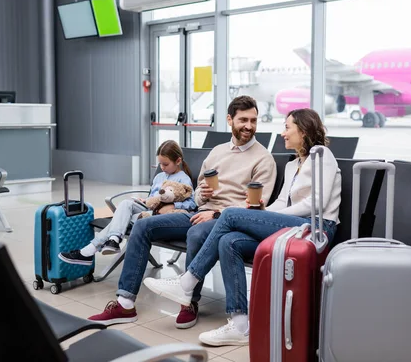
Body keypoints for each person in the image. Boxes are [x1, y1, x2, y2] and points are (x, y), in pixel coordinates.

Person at [143, 108, 342, 347]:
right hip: (293, 227)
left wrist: (265, 217)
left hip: (317, 229)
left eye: (287, 127)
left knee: (229, 213)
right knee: (229, 242)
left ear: (304, 129)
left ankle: (188, 282)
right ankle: (239, 323)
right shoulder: (292, 165)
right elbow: (281, 202)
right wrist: (261, 214)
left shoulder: (323, 156)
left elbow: (316, 204)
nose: (283, 133)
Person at [86, 95, 277, 326]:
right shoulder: (217, 152)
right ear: (230, 120)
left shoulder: (263, 159)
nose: (249, 126)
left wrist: (216, 213)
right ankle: (125, 303)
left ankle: (189, 302)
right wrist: (202, 194)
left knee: (195, 233)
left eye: (253, 120)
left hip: (227, 221)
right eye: (243, 119)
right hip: (199, 213)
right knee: (143, 225)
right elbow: (195, 195)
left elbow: (256, 207)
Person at [58, 140, 196, 265]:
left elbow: (192, 203)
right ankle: (113, 240)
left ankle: (90, 250)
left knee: (123, 218)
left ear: (178, 161)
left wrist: (174, 206)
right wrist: (145, 200)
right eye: (160, 163)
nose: (162, 167)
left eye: (165, 164)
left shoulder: (183, 179)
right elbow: (153, 197)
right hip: (148, 208)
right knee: (125, 204)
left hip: (161, 216)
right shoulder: (159, 176)